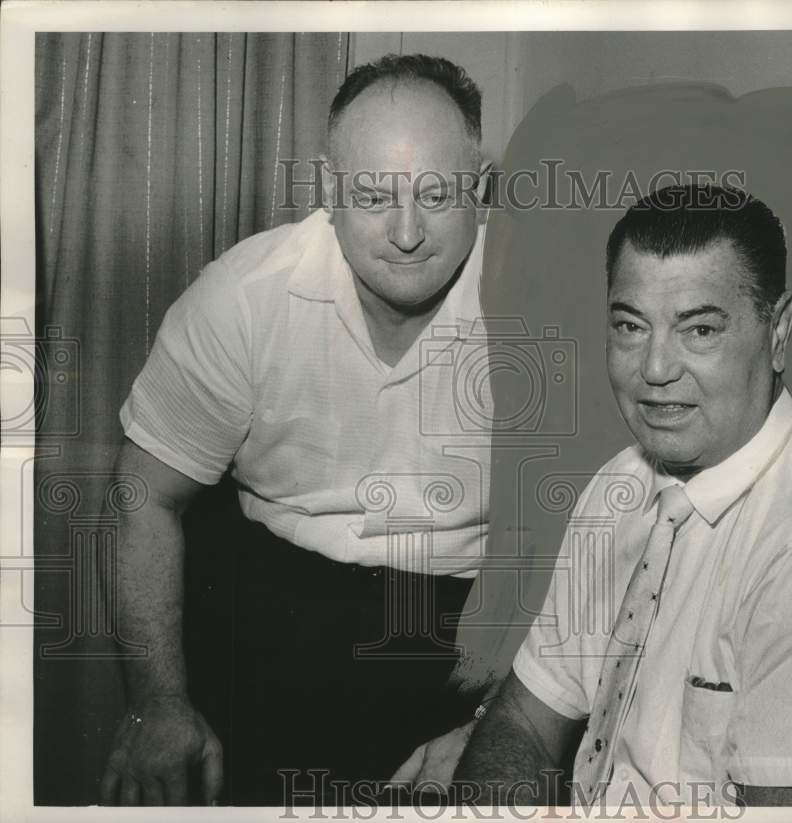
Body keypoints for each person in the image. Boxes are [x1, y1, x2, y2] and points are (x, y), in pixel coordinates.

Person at [454, 184, 792, 807]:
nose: (654, 368)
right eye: (630, 325)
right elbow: (523, 726)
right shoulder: (621, 484)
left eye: (699, 329)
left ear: (778, 332)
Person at [99, 54, 494, 806]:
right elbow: (142, 495)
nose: (407, 233)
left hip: (469, 636)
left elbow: (599, 544)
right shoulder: (243, 299)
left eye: (438, 194)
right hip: (276, 622)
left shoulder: (545, 299)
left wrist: (504, 719)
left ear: (479, 187)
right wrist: (160, 698)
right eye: (375, 194)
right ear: (327, 188)